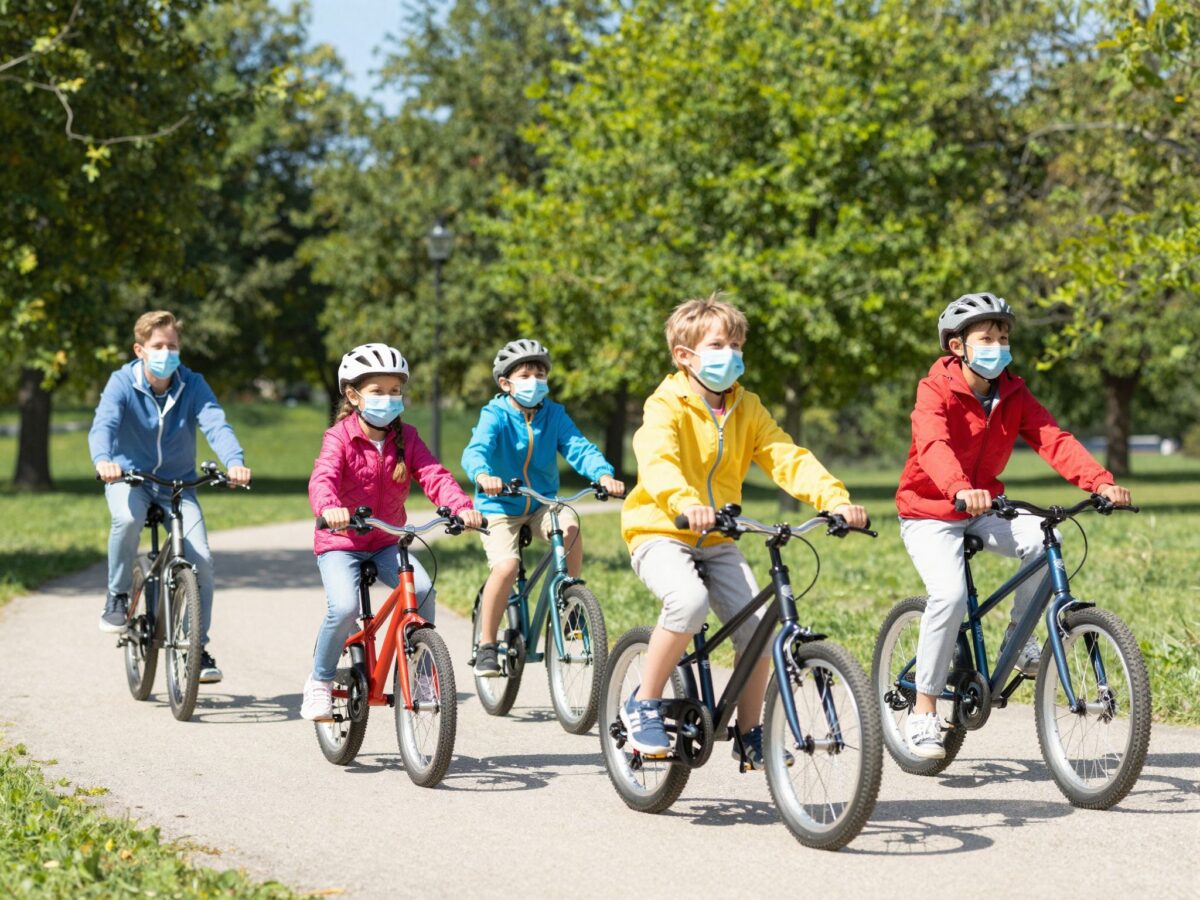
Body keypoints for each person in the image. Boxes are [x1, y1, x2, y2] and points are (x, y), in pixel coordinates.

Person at [618, 294, 868, 769]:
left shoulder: (746, 407)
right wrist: (685, 503)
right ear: (684, 356)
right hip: (661, 529)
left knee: (757, 631)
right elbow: (658, 460)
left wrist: (834, 499)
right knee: (687, 602)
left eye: (736, 344)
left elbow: (784, 455)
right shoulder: (665, 403)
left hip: (718, 536)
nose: (730, 354)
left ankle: (750, 732)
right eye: (717, 344)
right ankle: (644, 703)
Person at [896, 292, 1132, 759]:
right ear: (958, 346)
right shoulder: (934, 389)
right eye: (986, 337)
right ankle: (923, 712)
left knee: (1050, 536)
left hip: (986, 508)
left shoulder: (1013, 394)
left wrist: (1101, 483)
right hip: (930, 509)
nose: (997, 345)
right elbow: (933, 445)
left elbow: (1054, 440)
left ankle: (1016, 638)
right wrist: (959, 487)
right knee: (949, 596)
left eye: (1003, 337)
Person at [300, 343, 482, 721]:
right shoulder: (339, 437)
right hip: (342, 542)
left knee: (424, 588)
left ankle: (418, 670)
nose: (388, 399)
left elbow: (434, 474)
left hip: (386, 541)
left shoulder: (407, 438)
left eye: (395, 391)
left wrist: (461, 507)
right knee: (346, 607)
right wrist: (330, 508)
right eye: (378, 391)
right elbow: (323, 478)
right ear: (353, 395)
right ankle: (318, 682)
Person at [89, 310, 251, 684]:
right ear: (140, 350)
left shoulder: (191, 384)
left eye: (172, 346)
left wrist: (235, 462)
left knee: (203, 560)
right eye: (158, 346)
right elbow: (105, 425)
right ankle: (117, 596)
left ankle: (199, 647)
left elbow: (215, 423)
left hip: (177, 485)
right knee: (127, 519)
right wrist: (103, 460)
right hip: (129, 478)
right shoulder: (121, 383)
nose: (166, 352)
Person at [461, 339, 624, 677]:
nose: (534, 380)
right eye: (525, 374)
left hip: (541, 502)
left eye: (540, 373)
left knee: (571, 529)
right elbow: (476, 449)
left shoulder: (554, 415)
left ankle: (570, 602)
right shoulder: (495, 414)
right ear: (505, 383)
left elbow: (578, 447)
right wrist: (482, 474)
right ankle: (487, 646)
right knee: (506, 567)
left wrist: (604, 474)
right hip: (499, 505)